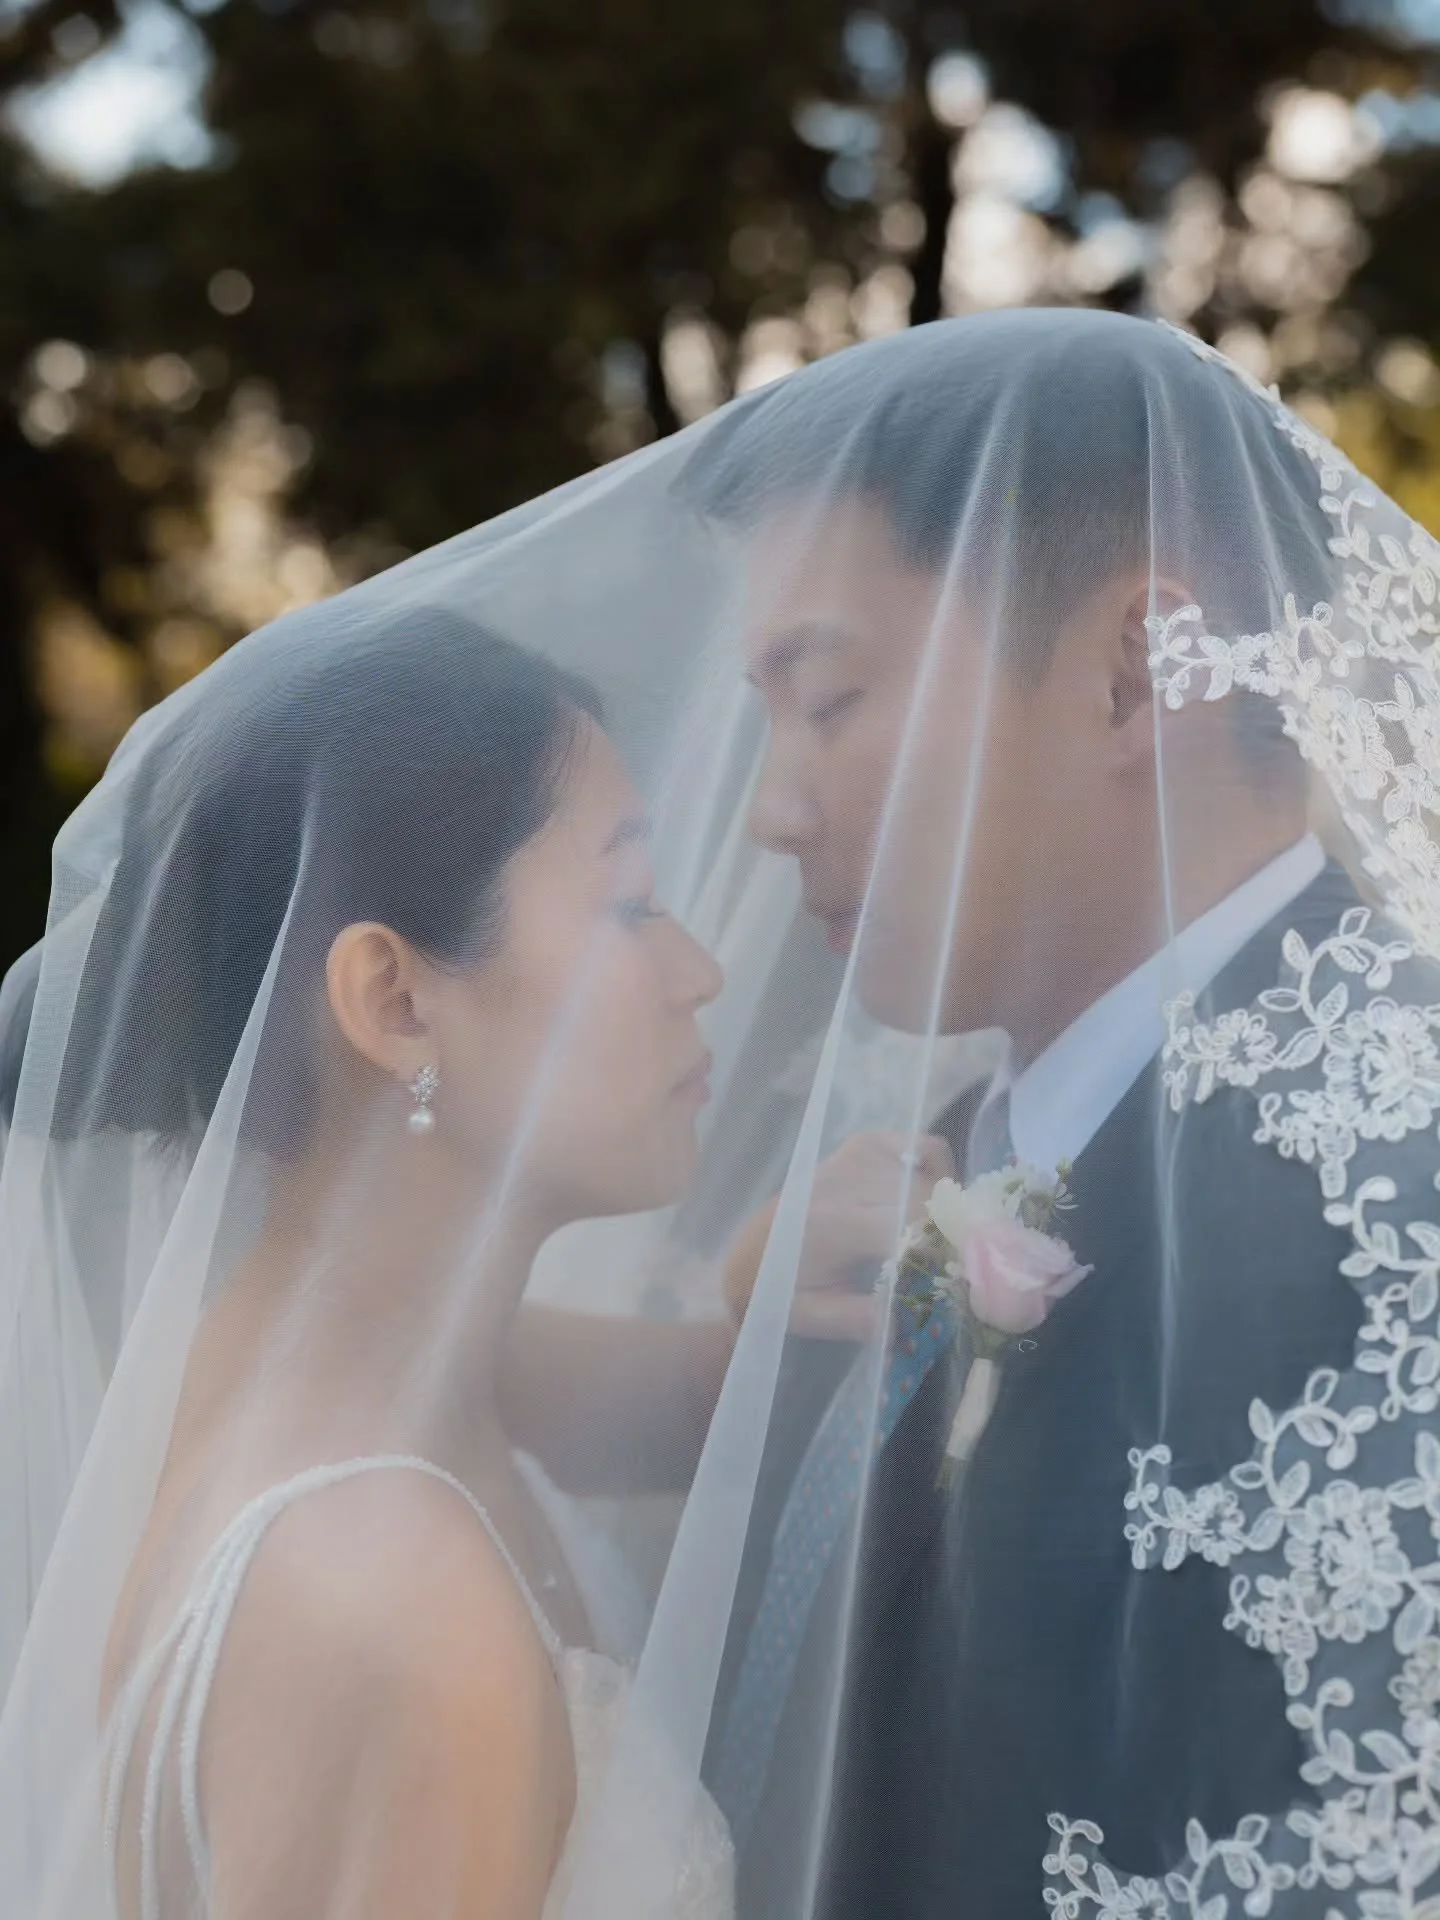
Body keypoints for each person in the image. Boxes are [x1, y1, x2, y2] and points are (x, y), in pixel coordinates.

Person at [693, 311, 1440, 1918]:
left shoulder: (1408, 1176)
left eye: (825, 702)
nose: (768, 809)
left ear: (1128, 676)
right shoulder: (932, 1162)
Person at [4, 605, 734, 1920]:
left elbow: (710, 1399)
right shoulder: (382, 1596)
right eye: (631, 905)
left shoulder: (413, 1366)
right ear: (395, 1003)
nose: (703, 970)